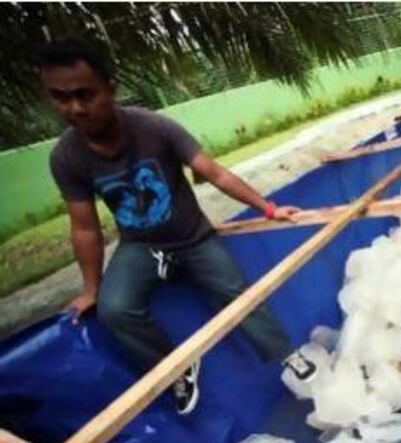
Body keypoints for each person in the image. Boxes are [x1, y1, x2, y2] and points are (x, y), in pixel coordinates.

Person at [40, 40, 316, 416]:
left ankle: (287, 356)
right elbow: (85, 227)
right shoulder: (67, 156)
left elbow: (213, 172)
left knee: (236, 292)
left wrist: (268, 208)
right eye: (60, 97)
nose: (74, 108)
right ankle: (175, 370)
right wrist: (91, 289)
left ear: (110, 88)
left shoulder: (154, 128)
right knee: (114, 310)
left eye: (85, 95)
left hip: (192, 237)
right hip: (140, 246)